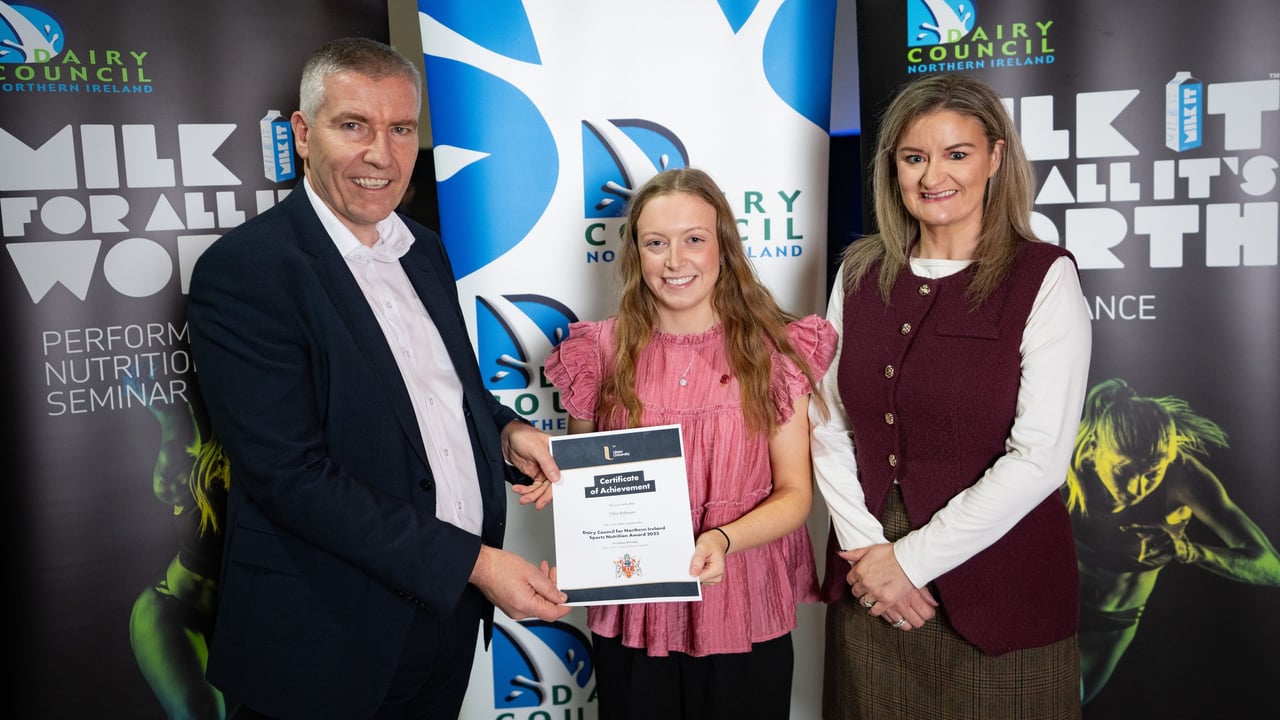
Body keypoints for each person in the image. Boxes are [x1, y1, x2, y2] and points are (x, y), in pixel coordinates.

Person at [186, 37, 569, 720]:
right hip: (325, 635)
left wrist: (506, 432)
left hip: (444, 619)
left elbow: (440, 385)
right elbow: (291, 475)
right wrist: (476, 565)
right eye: (352, 125)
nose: (381, 155)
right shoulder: (247, 271)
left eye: (400, 129)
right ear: (303, 134)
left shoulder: (423, 249)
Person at [809, 72, 1093, 719]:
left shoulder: (1043, 277)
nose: (933, 175)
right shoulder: (858, 274)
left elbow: (1040, 456)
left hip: (1001, 591)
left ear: (995, 157)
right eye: (914, 157)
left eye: (956, 153)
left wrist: (908, 561)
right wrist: (867, 554)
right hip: (872, 583)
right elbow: (825, 420)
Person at [537, 167, 837, 720]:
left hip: (742, 608)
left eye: (694, 239)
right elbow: (581, 486)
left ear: (723, 246)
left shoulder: (773, 350)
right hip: (636, 612)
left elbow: (796, 495)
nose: (675, 261)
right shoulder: (597, 352)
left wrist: (722, 539)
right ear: (636, 254)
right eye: (656, 243)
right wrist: (578, 551)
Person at [1065, 377, 1280, 704]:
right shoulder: (1062, 466)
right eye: (1124, 471)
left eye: (1152, 472)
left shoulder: (1182, 476)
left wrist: (1189, 551)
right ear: (1095, 450)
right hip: (1047, 613)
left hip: (1106, 630)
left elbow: (1271, 568)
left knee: (1060, 704)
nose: (1138, 488)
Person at [126, 368, 232, 720]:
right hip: (173, 610)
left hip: (241, 620)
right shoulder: (194, 455)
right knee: (202, 714)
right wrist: (171, 414)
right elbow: (171, 420)